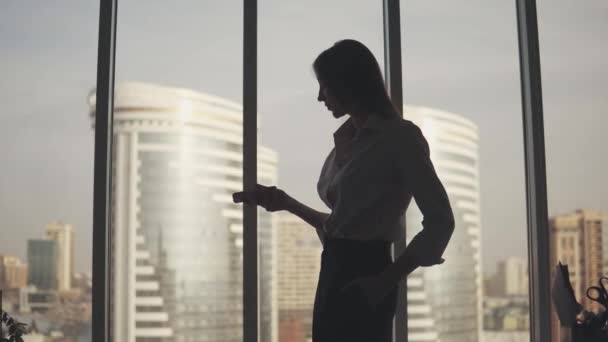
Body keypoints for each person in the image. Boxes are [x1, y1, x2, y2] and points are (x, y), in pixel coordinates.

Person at [233, 39, 455, 342]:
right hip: (334, 272)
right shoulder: (348, 139)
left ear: (348, 83)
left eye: (324, 86)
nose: (319, 96)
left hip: (368, 276)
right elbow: (342, 228)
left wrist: (384, 282)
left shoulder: (399, 138)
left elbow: (441, 221)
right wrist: (285, 202)